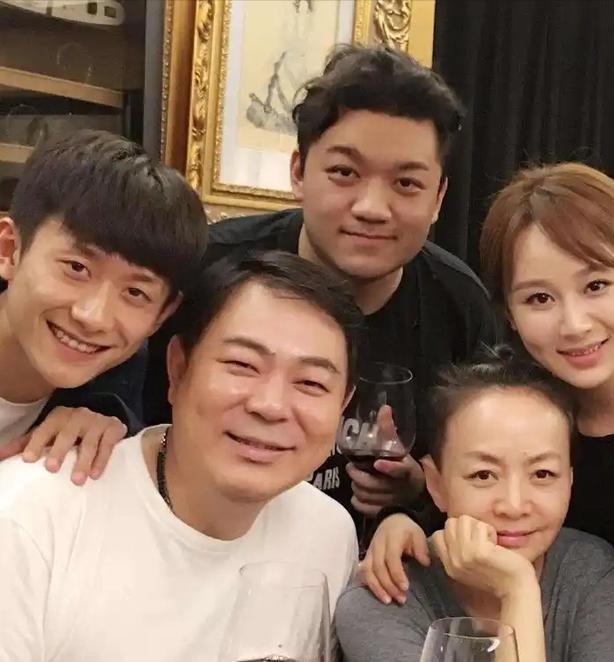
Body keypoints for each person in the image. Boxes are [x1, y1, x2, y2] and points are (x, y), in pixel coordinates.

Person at [144, 44, 497, 529]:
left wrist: (420, 489)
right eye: (344, 173)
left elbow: (482, 467)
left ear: (438, 198)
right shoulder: (208, 269)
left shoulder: (460, 306)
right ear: (298, 173)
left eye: (406, 184)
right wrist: (92, 408)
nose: (372, 207)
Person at [0, 250, 361, 662]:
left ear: (343, 404)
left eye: (311, 383)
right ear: (177, 369)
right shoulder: (28, 519)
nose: (271, 405)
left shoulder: (326, 533)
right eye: (242, 365)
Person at [360, 162, 614, 654]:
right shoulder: (518, 401)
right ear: (508, 312)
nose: (574, 324)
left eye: (596, 285)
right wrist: (411, 516)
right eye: (539, 298)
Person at [336, 349, 614, 662]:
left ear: (570, 480)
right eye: (483, 475)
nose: (514, 506)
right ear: (435, 484)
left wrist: (517, 589)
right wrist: (517, 588)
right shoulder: (382, 599)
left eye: (542, 474)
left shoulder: (587, 569)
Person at [0, 129, 208, 483]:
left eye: (135, 293)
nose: (93, 317)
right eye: (76, 268)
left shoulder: (112, 404)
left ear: (162, 315)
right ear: (9, 251)